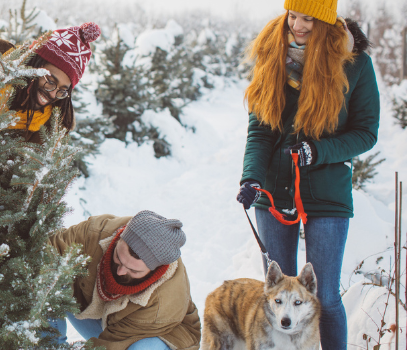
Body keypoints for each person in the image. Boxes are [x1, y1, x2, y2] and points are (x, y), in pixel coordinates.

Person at [235, 0, 379, 348]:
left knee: (324, 295)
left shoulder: (355, 64)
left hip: (327, 192)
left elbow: (366, 131)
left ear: (327, 22)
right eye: (293, 16)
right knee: (279, 295)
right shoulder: (272, 55)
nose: (297, 26)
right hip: (275, 190)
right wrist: (251, 177)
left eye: (308, 19)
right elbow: (261, 129)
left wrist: (320, 151)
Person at [47, 211, 201, 349]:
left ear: (155, 270)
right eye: (118, 258)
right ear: (120, 237)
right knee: (44, 278)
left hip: (153, 336)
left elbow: (110, 346)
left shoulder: (162, 303)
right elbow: (46, 249)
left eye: (133, 270)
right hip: (104, 317)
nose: (120, 272)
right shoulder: (97, 232)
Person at [0, 22, 101, 143]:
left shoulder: (49, 130)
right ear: (34, 64)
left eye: (62, 90)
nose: (52, 94)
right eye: (50, 80)